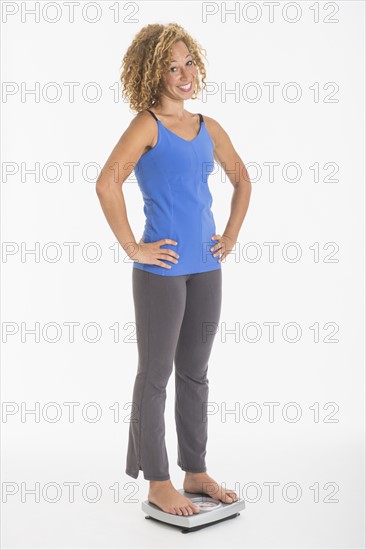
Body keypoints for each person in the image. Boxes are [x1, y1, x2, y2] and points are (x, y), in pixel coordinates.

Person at [96, 22, 252, 517]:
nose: (183, 74)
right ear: (152, 72)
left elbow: (242, 180)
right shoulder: (146, 125)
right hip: (160, 272)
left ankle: (196, 470)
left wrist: (228, 237)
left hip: (206, 268)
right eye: (171, 66)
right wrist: (133, 248)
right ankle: (158, 481)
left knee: (196, 373)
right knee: (155, 375)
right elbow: (106, 184)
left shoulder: (209, 126)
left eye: (188, 63)